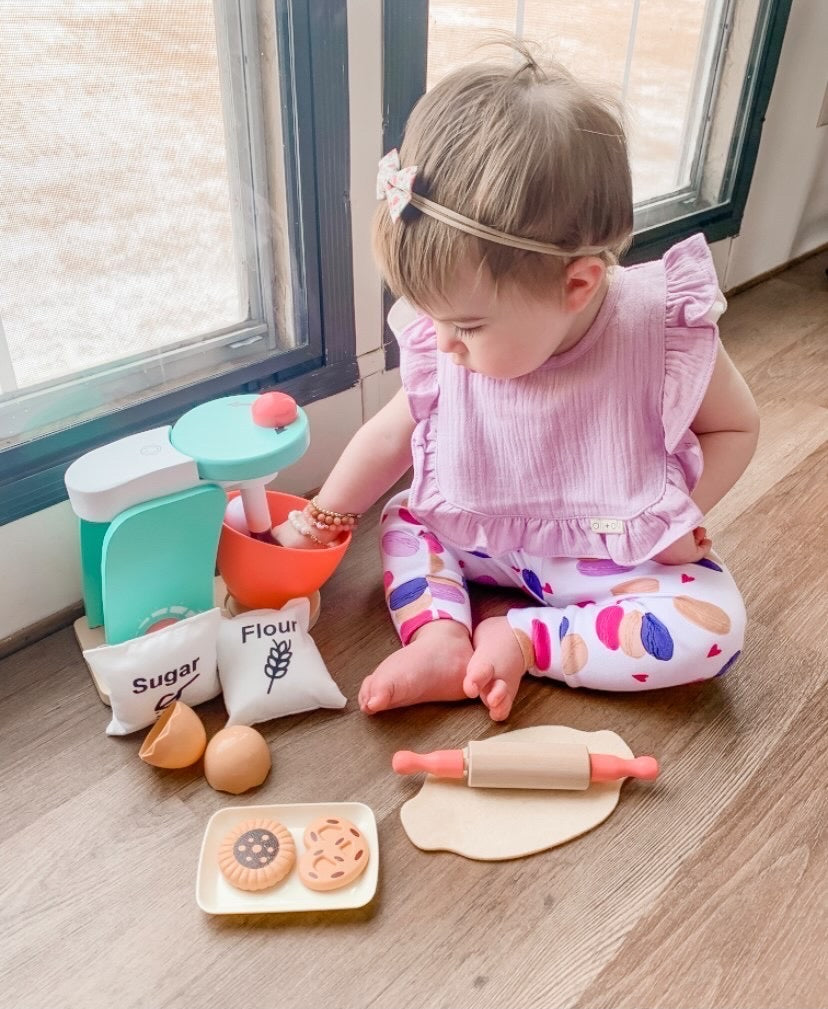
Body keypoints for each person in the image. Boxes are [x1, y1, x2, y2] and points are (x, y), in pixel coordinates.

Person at [272, 41, 759, 721]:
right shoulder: (451, 329)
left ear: (577, 285)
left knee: (713, 628)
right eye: (431, 316)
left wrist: (681, 517)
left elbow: (737, 425)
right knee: (408, 517)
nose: (442, 342)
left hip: (604, 551)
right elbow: (390, 434)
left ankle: (527, 638)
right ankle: (442, 636)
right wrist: (321, 518)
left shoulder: (658, 327)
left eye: (467, 326)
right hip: (479, 536)